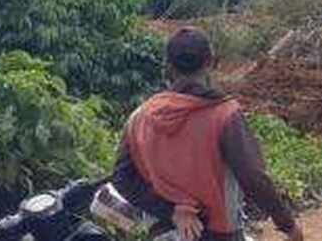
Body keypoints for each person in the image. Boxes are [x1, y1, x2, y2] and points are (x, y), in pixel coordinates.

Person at [112, 27, 303, 241]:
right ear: (210, 61)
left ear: (167, 66)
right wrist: (288, 225)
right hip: (220, 234)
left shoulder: (139, 117)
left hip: (163, 232)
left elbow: (122, 179)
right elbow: (253, 177)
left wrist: (172, 210)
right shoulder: (224, 115)